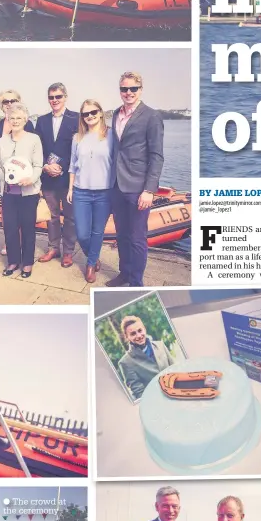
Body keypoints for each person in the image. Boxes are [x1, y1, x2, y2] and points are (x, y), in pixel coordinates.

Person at [107, 72, 164, 288]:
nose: (128, 93)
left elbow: (156, 156)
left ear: (141, 89)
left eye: (133, 88)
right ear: (120, 90)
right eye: (124, 89)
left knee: (137, 237)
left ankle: (136, 282)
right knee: (121, 234)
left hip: (138, 187)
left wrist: (149, 190)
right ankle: (124, 273)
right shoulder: (115, 114)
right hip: (117, 185)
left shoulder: (152, 116)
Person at [0, 102, 43, 278]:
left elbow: (38, 165)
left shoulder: (33, 139)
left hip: (29, 193)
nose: (15, 121)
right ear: (8, 119)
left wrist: (31, 179)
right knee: (10, 228)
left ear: (25, 119)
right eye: (12, 118)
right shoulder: (2, 140)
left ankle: (27, 263)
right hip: (8, 193)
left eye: (19, 118)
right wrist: (5, 176)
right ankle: (13, 261)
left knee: (28, 227)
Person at [67, 98, 114, 283]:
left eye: (93, 112)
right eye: (86, 113)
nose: (90, 116)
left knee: (97, 232)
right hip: (81, 191)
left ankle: (90, 264)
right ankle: (94, 256)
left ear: (101, 112)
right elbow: (72, 166)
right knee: (82, 233)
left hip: (104, 192)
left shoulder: (112, 135)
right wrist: (71, 188)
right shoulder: (77, 138)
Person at [35, 83, 78, 269]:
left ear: (65, 97)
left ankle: (68, 251)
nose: (55, 100)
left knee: (69, 217)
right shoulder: (42, 120)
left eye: (58, 97)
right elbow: (37, 147)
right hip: (47, 177)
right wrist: (45, 165)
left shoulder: (76, 118)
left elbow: (78, 149)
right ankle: (53, 248)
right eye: (51, 97)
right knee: (51, 216)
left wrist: (61, 166)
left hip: (67, 178)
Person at [118, 315, 177, 400]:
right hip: (156, 401)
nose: (138, 335)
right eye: (133, 333)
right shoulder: (126, 362)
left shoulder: (160, 345)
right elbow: (139, 393)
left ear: (144, 329)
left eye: (140, 330)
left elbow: (175, 369)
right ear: (127, 337)